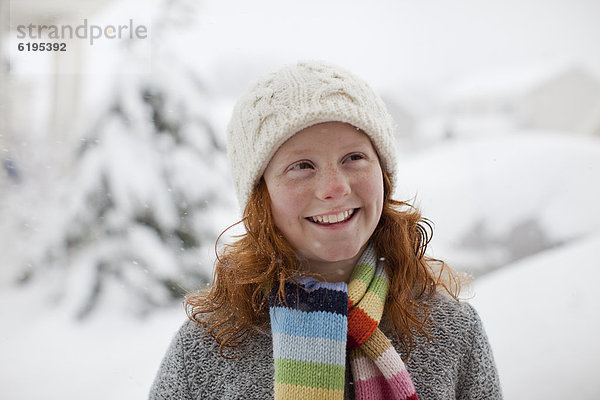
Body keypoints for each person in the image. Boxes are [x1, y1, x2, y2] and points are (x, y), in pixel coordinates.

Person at [149, 61, 502, 400]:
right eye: (301, 166)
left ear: (384, 174)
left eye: (354, 158)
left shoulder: (452, 331)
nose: (335, 187)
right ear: (261, 195)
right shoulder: (207, 350)